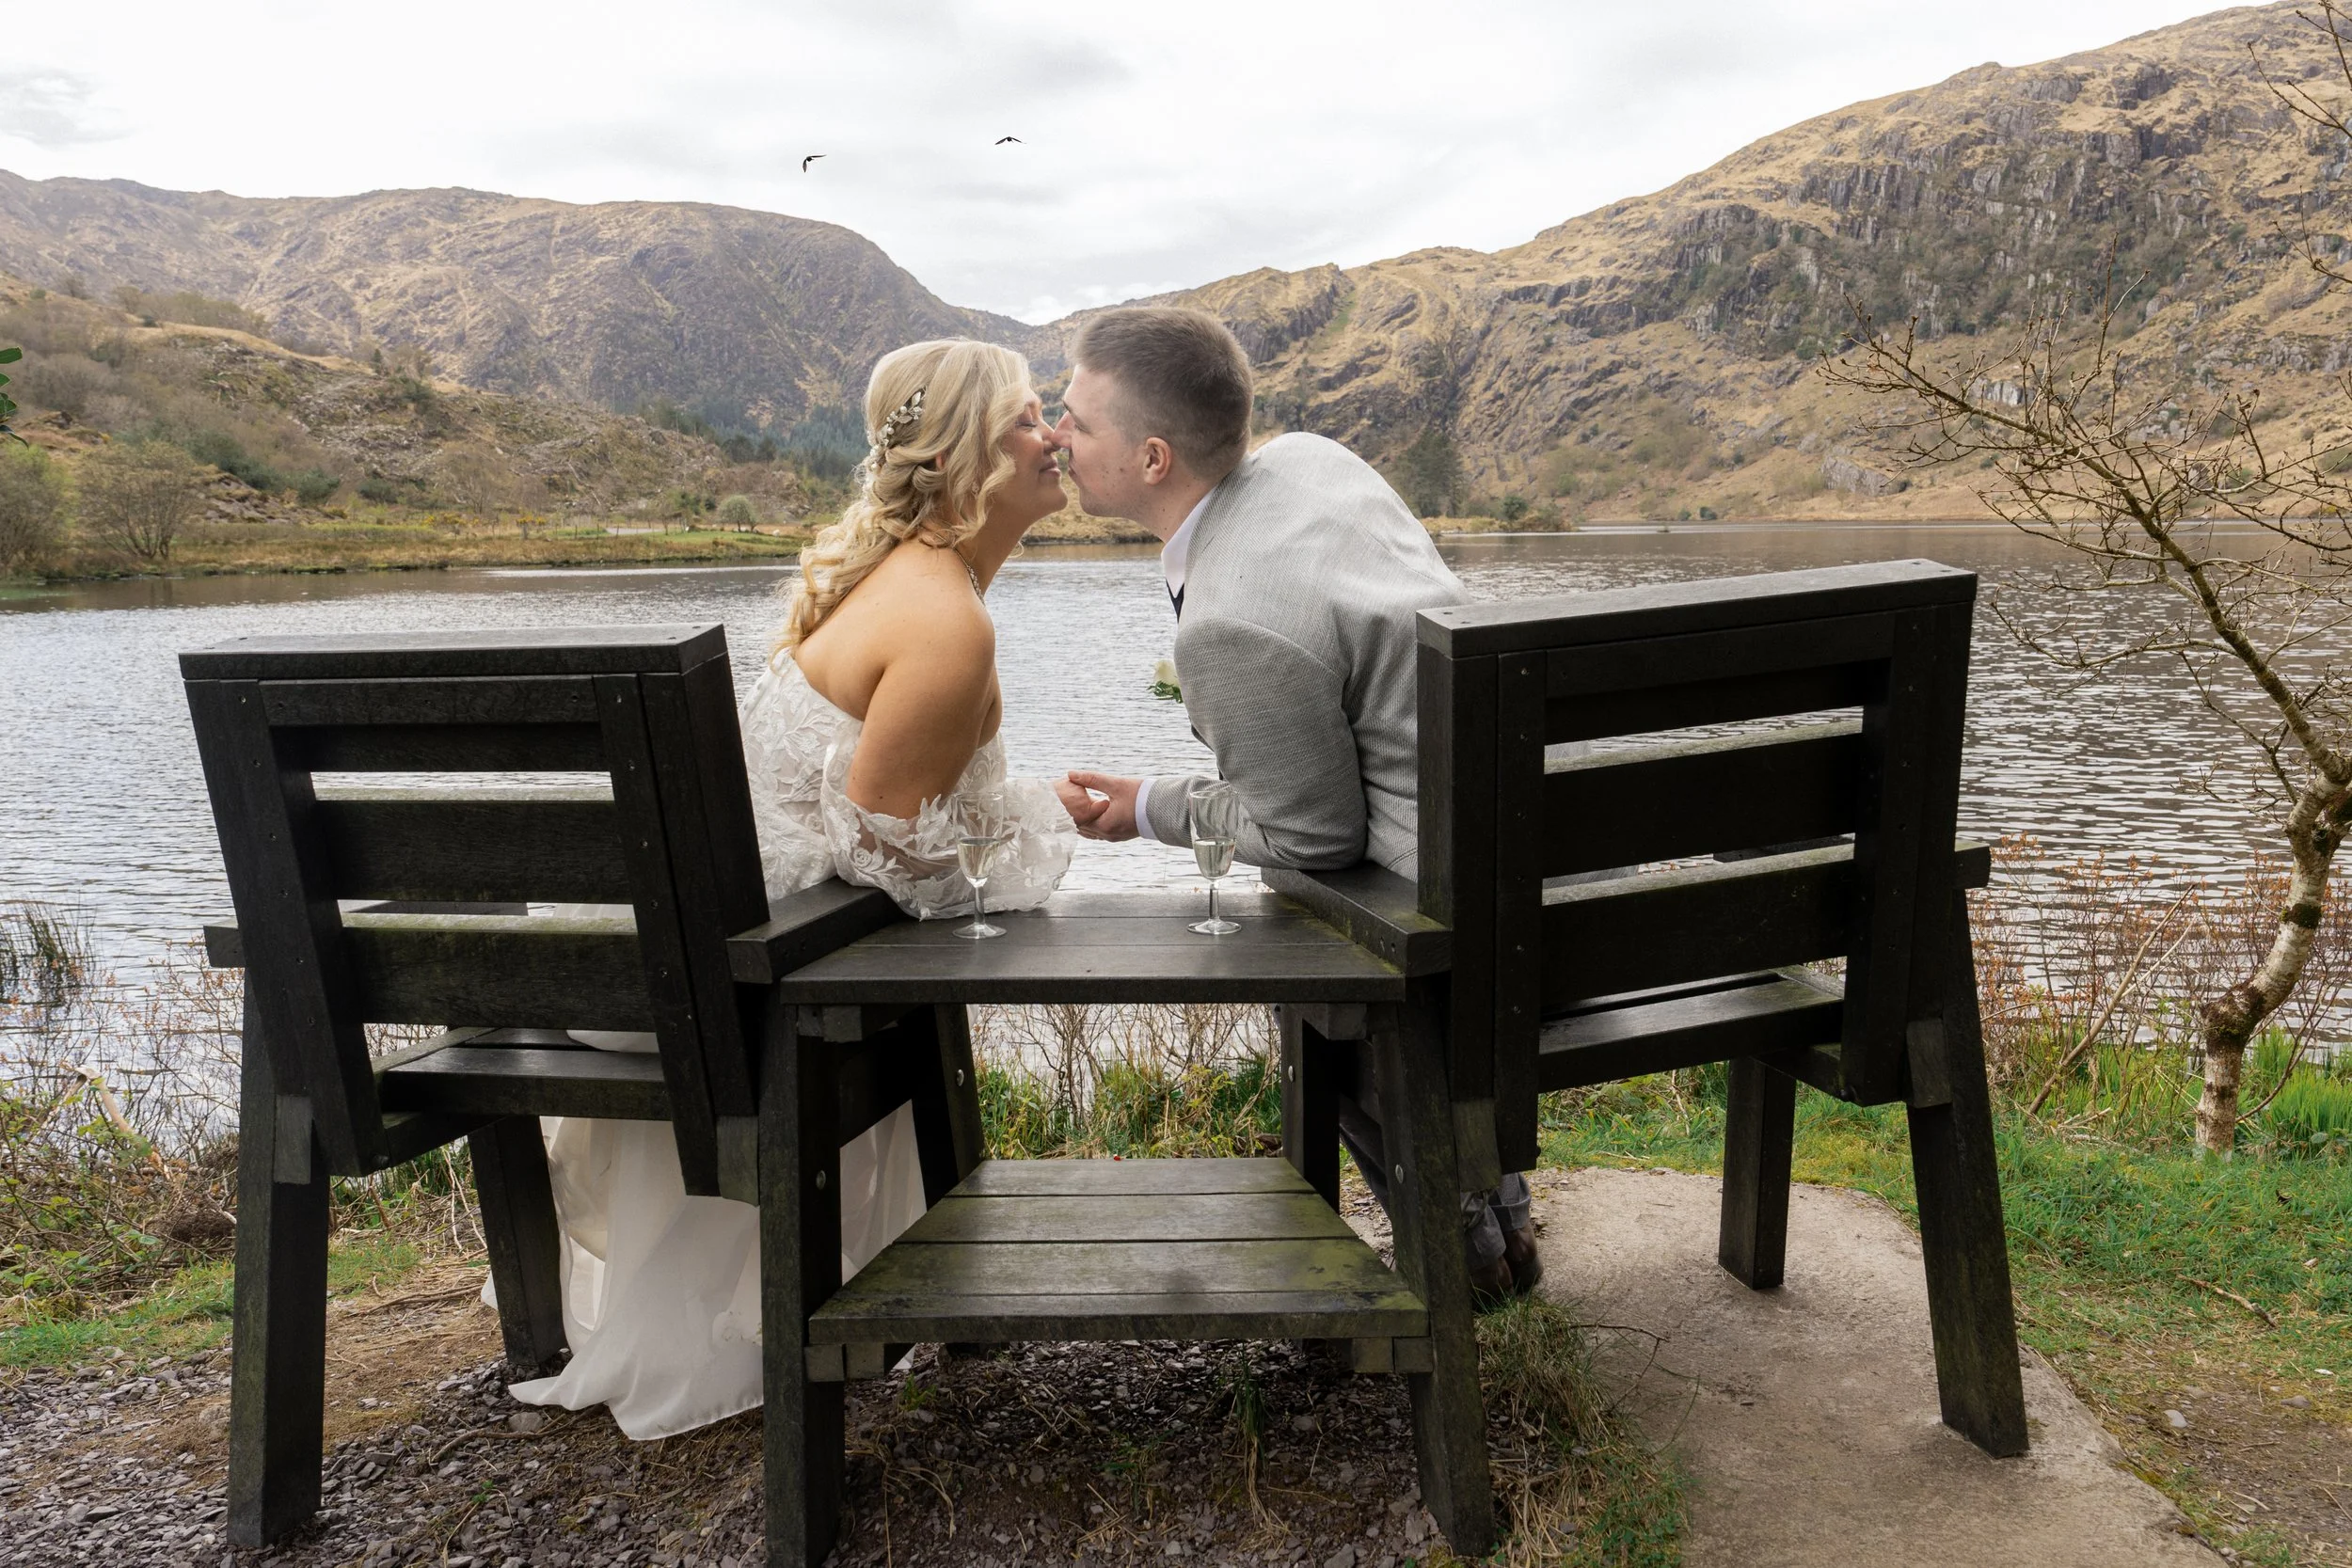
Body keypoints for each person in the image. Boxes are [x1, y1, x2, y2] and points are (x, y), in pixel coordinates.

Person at [509, 340, 1081, 1438]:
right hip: (696, 978)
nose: (1051, 435)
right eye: (1025, 417)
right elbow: (885, 854)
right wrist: (1035, 842)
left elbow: (879, 820)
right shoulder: (943, 618)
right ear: (955, 457)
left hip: (665, 941)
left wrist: (1012, 814)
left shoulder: (902, 581)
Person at [1050, 306, 1540, 1303]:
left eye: (1075, 421)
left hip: (1486, 944)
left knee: (1312, 967)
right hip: (1555, 872)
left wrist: (1150, 808)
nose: (1056, 436)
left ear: (1151, 458)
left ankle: (1468, 1262)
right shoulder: (1316, 460)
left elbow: (1313, 837)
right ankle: (1507, 1224)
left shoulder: (1231, 619)